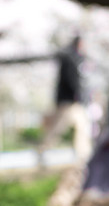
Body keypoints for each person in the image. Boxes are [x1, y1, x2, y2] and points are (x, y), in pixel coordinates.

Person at [38, 35, 90, 164]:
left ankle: (82, 154)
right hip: (69, 101)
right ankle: (43, 150)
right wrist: (78, 96)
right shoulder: (71, 58)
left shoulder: (72, 58)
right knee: (58, 128)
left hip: (71, 101)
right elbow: (73, 81)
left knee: (82, 128)